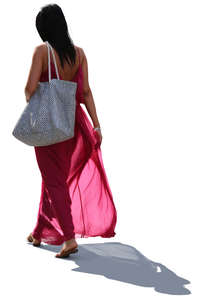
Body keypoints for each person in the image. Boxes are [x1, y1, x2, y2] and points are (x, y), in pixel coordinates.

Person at [24, 4, 117, 258]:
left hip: (49, 124)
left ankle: (68, 238)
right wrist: (96, 124)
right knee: (53, 177)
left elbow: (29, 90)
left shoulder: (41, 52)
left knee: (54, 180)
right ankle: (40, 230)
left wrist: (38, 110)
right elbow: (86, 92)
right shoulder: (79, 54)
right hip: (74, 125)